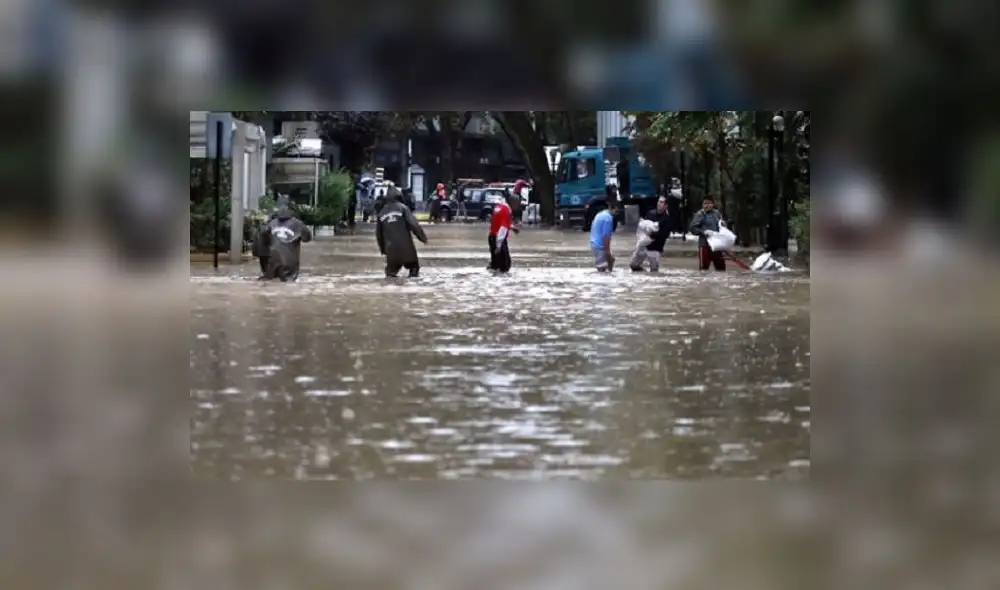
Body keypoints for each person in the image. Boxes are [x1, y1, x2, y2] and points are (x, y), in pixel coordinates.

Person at [376, 186, 428, 278]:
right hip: (407, 249)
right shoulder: (403, 208)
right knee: (414, 270)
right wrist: (422, 238)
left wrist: (383, 249)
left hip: (391, 251)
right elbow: (414, 225)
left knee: (390, 273)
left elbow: (378, 235)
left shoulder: (381, 213)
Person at [255, 200, 313, 281]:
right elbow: (308, 238)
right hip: (289, 269)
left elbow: (259, 246)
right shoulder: (298, 224)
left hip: (271, 265)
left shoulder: (270, 224)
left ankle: (267, 273)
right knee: (288, 282)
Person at [630, 195, 671, 271]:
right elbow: (643, 227)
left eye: (661, 202)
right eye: (659, 201)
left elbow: (665, 235)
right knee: (633, 266)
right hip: (644, 246)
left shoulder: (666, 219)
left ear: (666, 206)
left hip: (656, 248)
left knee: (654, 271)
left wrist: (652, 234)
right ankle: (643, 273)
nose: (659, 203)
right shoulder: (650, 213)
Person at [689, 196, 726, 271]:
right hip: (704, 245)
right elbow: (692, 228)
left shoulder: (717, 213)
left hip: (716, 245)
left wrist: (723, 225)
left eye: (709, 203)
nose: (707, 205)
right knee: (704, 269)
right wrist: (703, 232)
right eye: (705, 204)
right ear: (702, 205)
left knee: (721, 268)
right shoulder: (700, 214)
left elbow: (722, 226)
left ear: (713, 204)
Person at [488, 194, 519, 273]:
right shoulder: (507, 210)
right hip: (498, 239)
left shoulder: (500, 206)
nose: (518, 206)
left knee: (495, 264)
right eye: (517, 203)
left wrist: (511, 227)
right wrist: (499, 246)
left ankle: (491, 276)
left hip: (492, 237)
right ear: (513, 202)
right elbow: (502, 228)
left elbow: (498, 221)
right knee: (506, 265)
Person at [590, 199, 619, 272]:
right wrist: (607, 251)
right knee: (602, 272)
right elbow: (606, 236)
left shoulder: (600, 214)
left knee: (611, 260)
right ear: (614, 208)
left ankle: (610, 273)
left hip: (594, 244)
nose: (617, 214)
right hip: (600, 247)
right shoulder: (608, 218)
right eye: (617, 211)